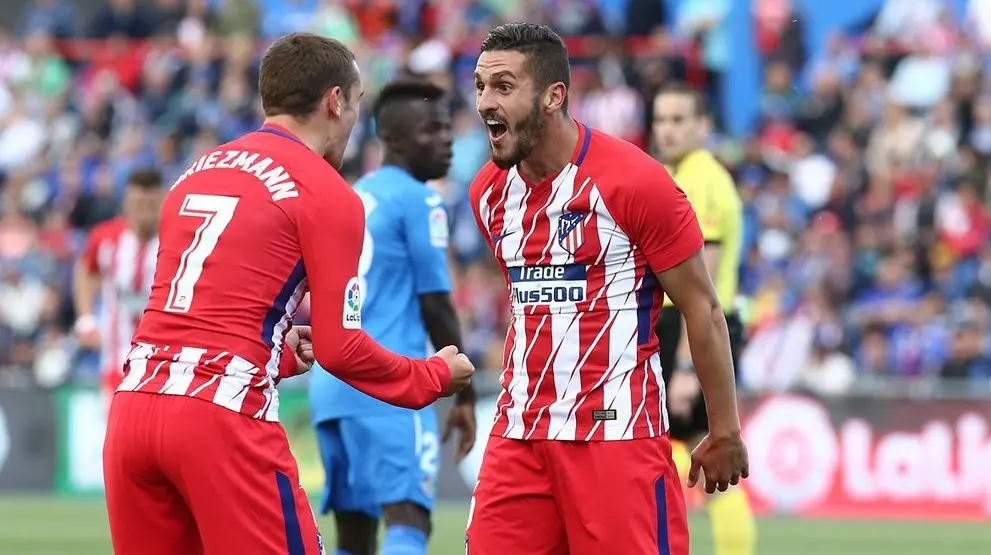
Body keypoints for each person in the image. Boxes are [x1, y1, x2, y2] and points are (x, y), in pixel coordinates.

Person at [101, 33, 474, 555]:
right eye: (357, 103)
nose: (354, 123)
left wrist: (274, 346)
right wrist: (432, 376)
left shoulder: (196, 173)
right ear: (334, 101)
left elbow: (197, 312)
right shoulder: (327, 193)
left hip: (133, 408)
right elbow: (342, 348)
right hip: (220, 417)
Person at [465, 23, 749, 555]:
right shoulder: (487, 192)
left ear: (554, 97)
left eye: (503, 86)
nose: (485, 102)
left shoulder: (636, 182)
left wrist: (725, 429)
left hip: (615, 435)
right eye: (479, 86)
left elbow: (702, 308)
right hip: (518, 434)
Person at [308, 80, 477, 555]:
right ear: (395, 139)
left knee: (355, 535)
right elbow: (437, 302)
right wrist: (461, 397)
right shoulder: (419, 199)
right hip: (388, 383)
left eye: (448, 129)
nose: (447, 140)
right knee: (408, 521)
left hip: (333, 385)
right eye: (433, 130)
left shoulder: (353, 195)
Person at [652, 83, 756, 555]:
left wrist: (689, 367)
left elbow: (703, 285)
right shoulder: (687, 174)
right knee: (699, 454)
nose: (666, 130)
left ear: (702, 126)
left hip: (693, 331)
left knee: (689, 451)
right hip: (692, 328)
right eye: (660, 120)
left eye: (678, 120)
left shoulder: (702, 179)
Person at [73, 168, 164, 408]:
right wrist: (86, 317)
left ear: (162, 201)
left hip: (164, 364)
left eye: (151, 203)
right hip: (117, 361)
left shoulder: (175, 239)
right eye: (139, 203)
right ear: (127, 202)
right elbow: (86, 272)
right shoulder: (106, 238)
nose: (145, 211)